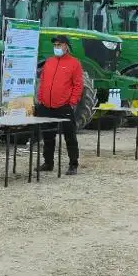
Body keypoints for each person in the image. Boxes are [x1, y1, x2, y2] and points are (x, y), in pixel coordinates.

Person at [35, 35, 84, 175]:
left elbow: (78, 85)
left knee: (70, 135)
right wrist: (40, 98)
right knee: (47, 136)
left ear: (66, 46)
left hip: (64, 106)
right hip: (46, 106)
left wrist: (72, 101)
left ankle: (73, 164)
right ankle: (48, 162)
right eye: (55, 45)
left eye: (59, 45)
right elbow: (43, 81)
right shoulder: (49, 62)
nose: (56, 47)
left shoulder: (74, 63)